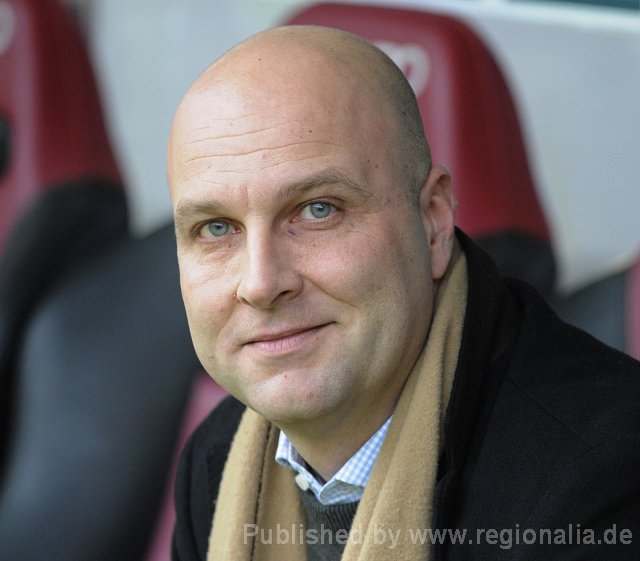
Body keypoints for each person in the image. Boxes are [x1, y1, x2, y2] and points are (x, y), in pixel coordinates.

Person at [167, 25, 640, 561]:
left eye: (318, 209)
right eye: (215, 228)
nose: (259, 283)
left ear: (433, 221)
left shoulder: (603, 483)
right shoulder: (218, 461)